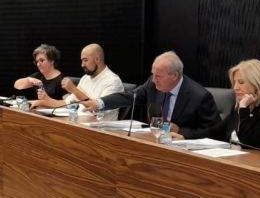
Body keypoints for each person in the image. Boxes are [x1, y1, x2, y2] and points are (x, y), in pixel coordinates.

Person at [84, 51, 219, 138]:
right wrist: (100, 103)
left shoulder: (200, 97)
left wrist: (181, 131)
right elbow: (131, 96)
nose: (154, 80)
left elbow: (215, 132)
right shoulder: (152, 84)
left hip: (183, 150)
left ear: (174, 76)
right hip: (155, 141)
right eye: (153, 74)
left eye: (158, 76)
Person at [198, 59, 260, 154]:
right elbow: (214, 132)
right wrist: (187, 136)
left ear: (257, 85)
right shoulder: (240, 106)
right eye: (234, 83)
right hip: (235, 158)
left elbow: (246, 142)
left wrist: (243, 110)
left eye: (241, 82)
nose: (235, 87)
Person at [31, 43, 123, 109]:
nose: (82, 65)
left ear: (97, 59)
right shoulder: (85, 78)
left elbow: (96, 109)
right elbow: (66, 104)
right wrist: (42, 101)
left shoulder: (112, 81)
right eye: (82, 61)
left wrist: (74, 90)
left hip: (97, 128)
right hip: (77, 122)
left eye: (85, 60)